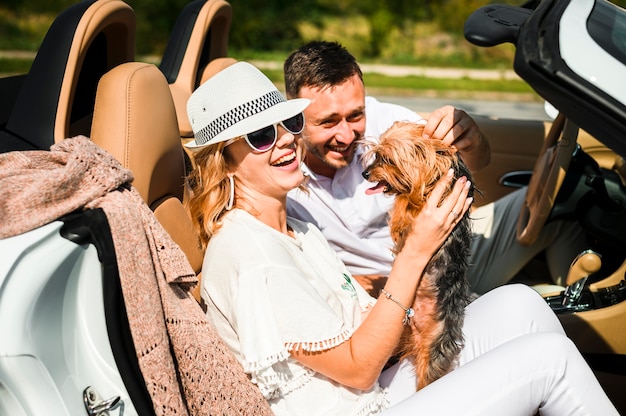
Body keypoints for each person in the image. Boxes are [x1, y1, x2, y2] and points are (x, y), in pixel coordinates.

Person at [184, 60, 617, 415]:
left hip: (375, 391)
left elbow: (357, 322)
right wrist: (417, 249)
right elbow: (357, 370)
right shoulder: (254, 256)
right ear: (222, 161)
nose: (284, 141)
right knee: (551, 361)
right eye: (260, 136)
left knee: (521, 303)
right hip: (358, 407)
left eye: (289, 122)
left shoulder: (294, 226)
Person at [284, 41, 587, 295]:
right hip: (392, 292)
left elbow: (474, 163)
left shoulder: (390, 121)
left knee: (564, 195)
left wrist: (472, 138)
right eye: (328, 122)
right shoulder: (278, 171)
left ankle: (580, 299)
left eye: (355, 116)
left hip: (449, 249)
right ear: (294, 115)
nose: (347, 135)